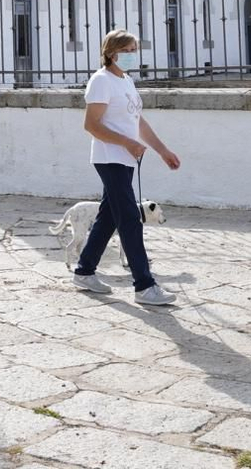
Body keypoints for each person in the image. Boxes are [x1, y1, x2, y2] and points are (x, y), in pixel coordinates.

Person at [71, 29, 180, 305]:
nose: (133, 55)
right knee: (130, 218)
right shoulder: (101, 81)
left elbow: (138, 121)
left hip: (125, 158)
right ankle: (144, 286)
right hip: (109, 158)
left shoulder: (126, 81)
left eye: (135, 50)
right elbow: (91, 125)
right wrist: (127, 143)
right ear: (112, 52)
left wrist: (162, 150)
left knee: (109, 216)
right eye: (128, 50)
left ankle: (84, 271)